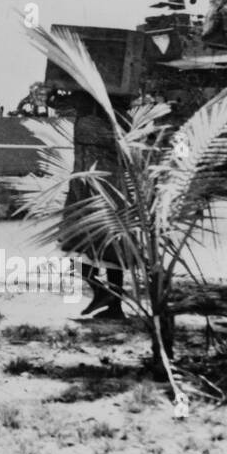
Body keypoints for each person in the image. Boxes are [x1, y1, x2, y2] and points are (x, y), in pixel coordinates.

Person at [61, 91, 128, 320]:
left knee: (77, 250)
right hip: (112, 187)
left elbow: (58, 101)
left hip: (88, 187)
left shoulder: (88, 115)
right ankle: (114, 305)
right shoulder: (121, 118)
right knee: (112, 251)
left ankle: (102, 292)